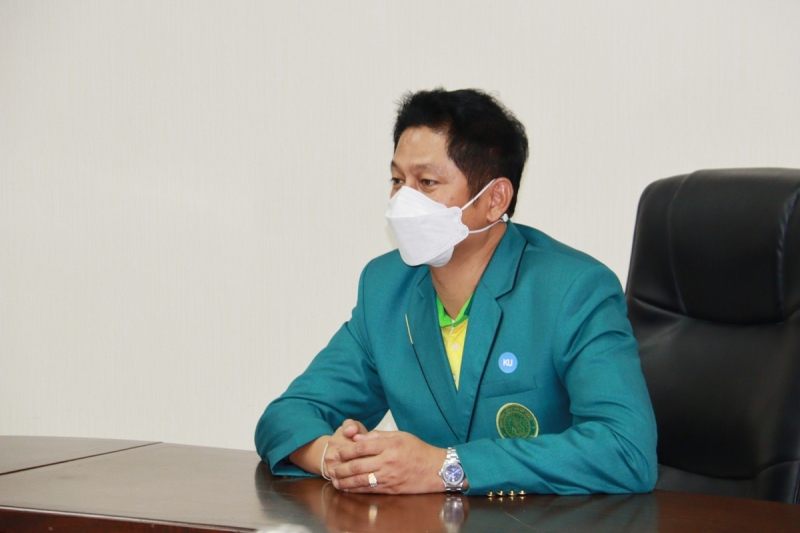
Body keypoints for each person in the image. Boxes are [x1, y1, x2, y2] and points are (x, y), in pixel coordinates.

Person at [255, 88, 657, 496]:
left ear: (495, 199)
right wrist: (334, 457)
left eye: (426, 182)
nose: (403, 200)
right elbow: (286, 417)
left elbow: (626, 449)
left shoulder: (573, 290)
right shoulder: (385, 288)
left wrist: (446, 467)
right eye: (398, 180)